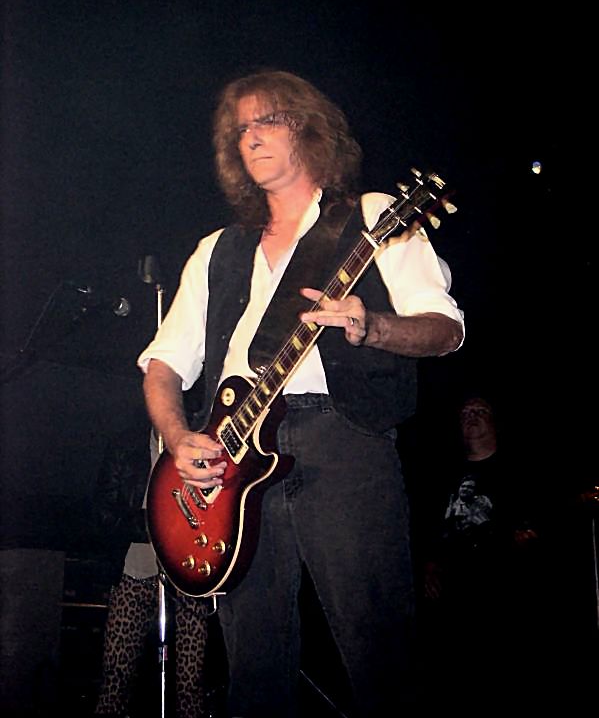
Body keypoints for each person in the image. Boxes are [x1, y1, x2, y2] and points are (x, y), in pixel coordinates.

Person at [136, 69, 465, 717]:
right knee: (254, 667)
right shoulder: (217, 250)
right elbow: (162, 366)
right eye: (240, 130)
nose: (251, 138)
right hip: (233, 467)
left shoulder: (372, 217)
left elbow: (444, 329)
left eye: (267, 121)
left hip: (341, 439)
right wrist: (177, 438)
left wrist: (370, 326)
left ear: (309, 129)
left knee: (378, 649)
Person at [419, 394, 543, 706]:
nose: (471, 417)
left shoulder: (519, 470)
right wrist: (429, 565)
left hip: (503, 596)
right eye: (465, 413)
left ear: (495, 421)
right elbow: (429, 527)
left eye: (479, 411)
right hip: (453, 597)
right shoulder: (443, 474)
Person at [92, 423, 210, 718]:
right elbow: (103, 512)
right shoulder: (127, 445)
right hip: (134, 570)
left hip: (188, 575)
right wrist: (156, 525)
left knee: (191, 682)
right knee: (116, 675)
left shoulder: (198, 444)